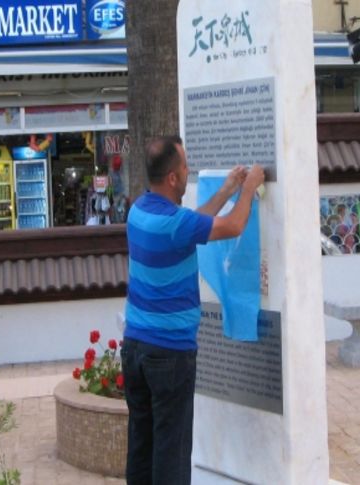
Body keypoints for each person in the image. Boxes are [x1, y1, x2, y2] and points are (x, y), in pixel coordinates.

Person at [122, 135, 264, 485]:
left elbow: (194, 224)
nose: (189, 171)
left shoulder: (139, 211)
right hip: (169, 355)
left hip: (136, 349)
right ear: (173, 177)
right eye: (185, 165)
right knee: (171, 452)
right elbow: (232, 226)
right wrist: (249, 189)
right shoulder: (174, 225)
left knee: (142, 445)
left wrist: (228, 188)